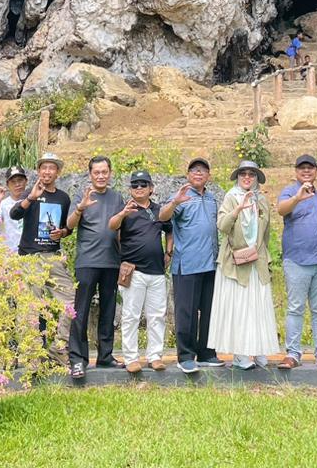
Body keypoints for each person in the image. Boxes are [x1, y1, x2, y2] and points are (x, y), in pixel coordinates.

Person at [209, 160, 279, 370]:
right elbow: (222, 226)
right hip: (235, 262)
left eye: (251, 174)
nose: (247, 177)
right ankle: (240, 354)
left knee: (258, 305)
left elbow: (265, 233)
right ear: (238, 177)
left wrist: (263, 256)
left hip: (256, 260)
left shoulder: (262, 200)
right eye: (243, 174)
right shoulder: (231, 197)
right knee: (238, 307)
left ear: (256, 178)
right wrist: (237, 210)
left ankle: (258, 349)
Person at [159, 156, 222, 374]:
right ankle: (185, 356)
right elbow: (162, 216)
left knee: (209, 312)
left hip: (210, 264)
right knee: (186, 313)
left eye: (203, 170)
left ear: (208, 176)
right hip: (187, 265)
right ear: (188, 175)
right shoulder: (181, 196)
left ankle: (206, 353)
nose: (198, 173)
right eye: (194, 170)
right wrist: (175, 202)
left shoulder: (212, 198)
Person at [276, 154, 317, 370]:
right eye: (302, 168)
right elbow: (281, 209)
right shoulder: (289, 192)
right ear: (296, 171)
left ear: (316, 171)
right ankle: (293, 354)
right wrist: (297, 197)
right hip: (297, 260)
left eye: (310, 168)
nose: (306, 171)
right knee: (296, 308)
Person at [8, 152, 73, 360]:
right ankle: (32, 355)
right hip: (30, 257)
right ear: (38, 171)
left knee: (71, 300)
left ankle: (59, 347)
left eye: (51, 168)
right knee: (30, 306)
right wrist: (31, 198)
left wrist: (62, 232)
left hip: (53, 256)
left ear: (57, 172)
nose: (47, 171)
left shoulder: (63, 198)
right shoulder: (30, 193)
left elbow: (66, 228)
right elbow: (14, 214)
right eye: (44, 167)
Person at [66, 155, 125, 379]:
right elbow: (69, 225)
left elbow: (120, 230)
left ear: (110, 173)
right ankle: (77, 359)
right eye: (96, 172)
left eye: (104, 172)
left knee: (108, 310)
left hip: (111, 262)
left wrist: (124, 258)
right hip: (87, 262)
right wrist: (80, 208)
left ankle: (105, 356)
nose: (101, 176)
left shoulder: (117, 197)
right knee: (80, 311)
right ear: (90, 174)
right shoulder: (82, 196)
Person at [110, 170, 171, 373]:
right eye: (135, 185)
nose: (139, 188)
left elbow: (169, 230)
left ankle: (155, 356)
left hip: (157, 271)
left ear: (151, 188)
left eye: (143, 184)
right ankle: (131, 358)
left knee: (157, 316)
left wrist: (169, 252)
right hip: (133, 271)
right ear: (130, 189)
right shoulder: (126, 208)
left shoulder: (159, 210)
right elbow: (112, 226)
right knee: (131, 316)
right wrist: (123, 214)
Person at [0, 166, 28, 253]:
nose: (17, 184)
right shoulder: (3, 204)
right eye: (13, 182)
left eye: (20, 180)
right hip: (8, 253)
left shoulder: (32, 202)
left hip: (29, 252)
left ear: (26, 181)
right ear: (7, 185)